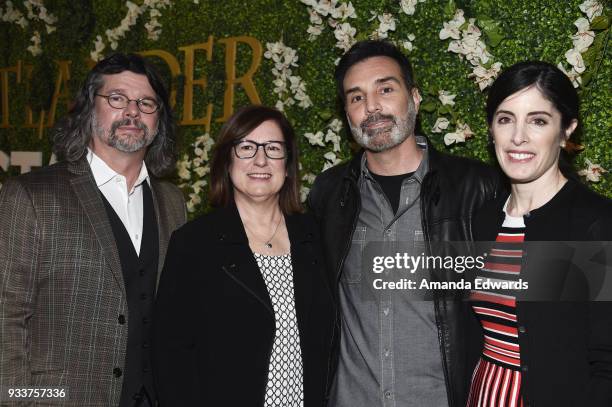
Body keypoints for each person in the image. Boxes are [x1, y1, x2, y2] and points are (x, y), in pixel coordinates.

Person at [307, 40, 501, 407]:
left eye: (385, 89)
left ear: (413, 98)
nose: (372, 107)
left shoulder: (477, 189)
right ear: (346, 113)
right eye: (356, 97)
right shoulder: (329, 195)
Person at [0, 53, 186, 406]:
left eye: (146, 103)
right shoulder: (30, 195)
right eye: (117, 99)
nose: (132, 111)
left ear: (159, 120)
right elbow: (5, 315)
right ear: (89, 109)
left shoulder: (172, 202)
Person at [153, 105, 334, 407]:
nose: (260, 160)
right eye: (247, 147)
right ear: (227, 161)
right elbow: (170, 353)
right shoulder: (194, 243)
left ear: (288, 164)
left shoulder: (316, 237)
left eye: (273, 148)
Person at [467, 61, 612, 406]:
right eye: (505, 119)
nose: (518, 137)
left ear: (566, 130)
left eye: (538, 121)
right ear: (491, 129)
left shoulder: (595, 224)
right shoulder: (482, 220)